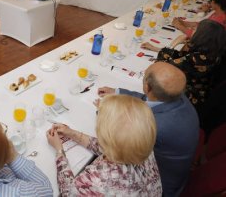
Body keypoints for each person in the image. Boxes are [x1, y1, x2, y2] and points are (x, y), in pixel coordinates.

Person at [97, 62, 199, 196]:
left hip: (158, 184)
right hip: (177, 167)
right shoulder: (176, 96)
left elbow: (117, 139)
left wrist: (106, 110)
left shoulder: (155, 124)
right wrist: (117, 93)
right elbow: (149, 99)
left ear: (146, 86)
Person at [46, 95, 162, 196]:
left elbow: (68, 192)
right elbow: (111, 148)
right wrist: (73, 134)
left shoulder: (95, 180)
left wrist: (59, 151)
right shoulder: (142, 145)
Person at [141, 19, 226, 109]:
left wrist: (173, 44)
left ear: (202, 36)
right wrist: (156, 48)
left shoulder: (197, 59)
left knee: (150, 85)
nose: (192, 30)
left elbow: (160, 68)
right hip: (202, 91)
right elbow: (181, 58)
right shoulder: (211, 52)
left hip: (187, 98)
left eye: (195, 30)